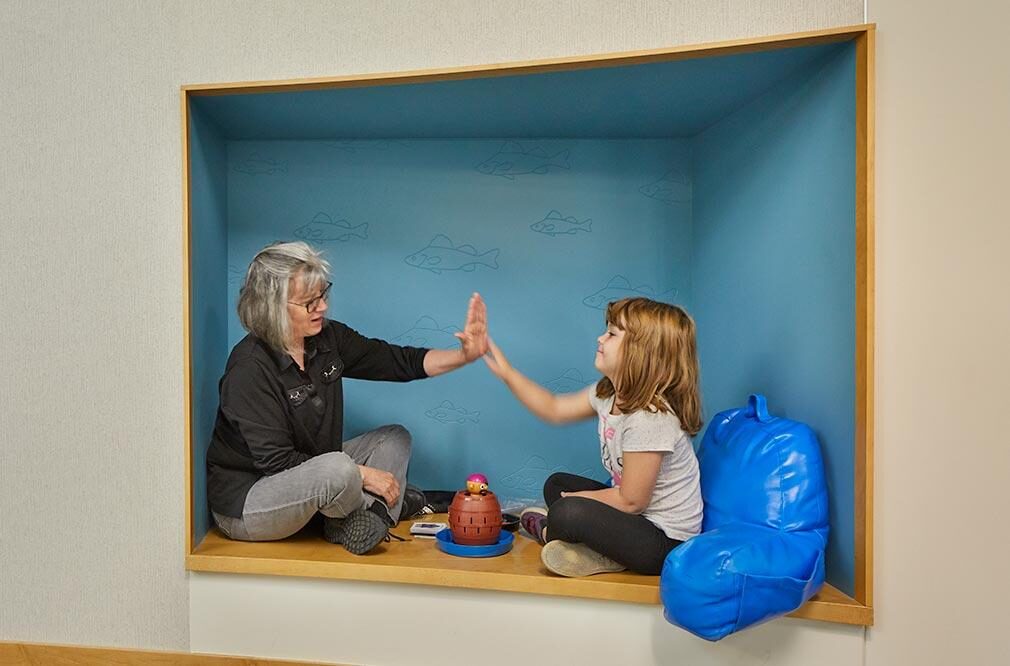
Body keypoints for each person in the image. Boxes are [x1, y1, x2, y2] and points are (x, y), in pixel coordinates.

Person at [206, 241, 488, 555]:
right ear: (272, 307)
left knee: (394, 438)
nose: (322, 307)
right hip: (251, 501)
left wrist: (464, 356)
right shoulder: (249, 368)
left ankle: (372, 519)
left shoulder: (327, 338)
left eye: (322, 294)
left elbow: (394, 361)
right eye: (309, 302)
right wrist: (361, 474)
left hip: (316, 474)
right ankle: (358, 513)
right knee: (338, 469)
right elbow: (277, 463)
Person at [482, 297, 703, 576]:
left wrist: (580, 499)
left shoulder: (650, 418)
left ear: (641, 352)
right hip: (635, 519)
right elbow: (555, 408)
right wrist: (508, 374)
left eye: (611, 334)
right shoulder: (608, 393)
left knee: (568, 511)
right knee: (557, 484)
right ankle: (589, 547)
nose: (600, 337)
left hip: (665, 543)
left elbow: (632, 501)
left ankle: (558, 533)